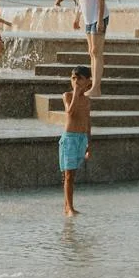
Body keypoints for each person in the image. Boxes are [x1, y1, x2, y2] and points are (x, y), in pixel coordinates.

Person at [65, 0, 108, 97]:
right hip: (88, 18)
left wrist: (100, 19)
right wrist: (77, 18)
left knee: (97, 52)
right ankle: (93, 86)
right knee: (92, 52)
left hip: (98, 17)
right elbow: (81, 1)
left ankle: (96, 88)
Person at [60, 64, 92, 217]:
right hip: (70, 139)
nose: (76, 82)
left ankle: (67, 207)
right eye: (73, 78)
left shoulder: (87, 101)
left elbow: (87, 121)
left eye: (80, 79)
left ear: (88, 83)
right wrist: (75, 94)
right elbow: (70, 112)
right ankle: (70, 208)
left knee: (72, 174)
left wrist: (89, 144)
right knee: (68, 175)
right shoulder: (67, 95)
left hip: (81, 138)